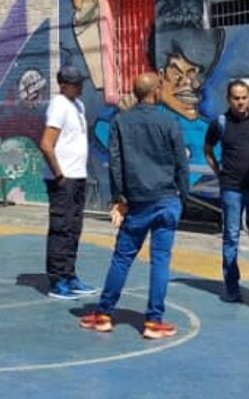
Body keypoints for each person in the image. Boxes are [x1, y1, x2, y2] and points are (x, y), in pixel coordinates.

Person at [79, 72, 187, 340]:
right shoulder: (169, 121)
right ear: (156, 91)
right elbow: (180, 162)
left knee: (122, 257)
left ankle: (104, 314)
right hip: (166, 198)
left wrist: (119, 198)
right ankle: (153, 321)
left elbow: (115, 163)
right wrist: (182, 196)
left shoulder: (121, 122)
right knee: (160, 260)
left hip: (138, 200)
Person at [203, 79, 249, 306]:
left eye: (244, 97)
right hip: (232, 189)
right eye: (236, 98)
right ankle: (232, 287)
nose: (241, 102)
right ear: (228, 99)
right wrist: (218, 172)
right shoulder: (220, 123)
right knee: (231, 237)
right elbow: (208, 149)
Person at [39, 65, 96, 300]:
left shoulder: (78, 105)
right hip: (64, 178)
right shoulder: (59, 105)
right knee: (61, 228)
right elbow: (46, 144)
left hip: (78, 175)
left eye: (80, 83)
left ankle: (70, 274)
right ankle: (57, 280)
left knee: (74, 228)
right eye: (75, 84)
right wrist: (59, 174)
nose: (80, 87)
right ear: (63, 85)